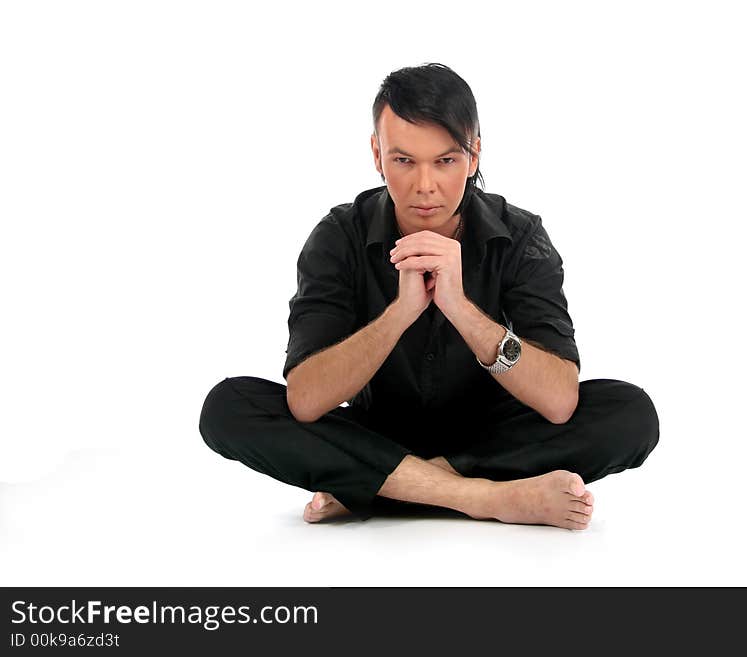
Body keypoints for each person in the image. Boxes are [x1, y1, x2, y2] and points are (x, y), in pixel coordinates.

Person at [198, 63, 659, 531]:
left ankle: (378, 487)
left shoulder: (520, 236)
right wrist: (399, 314)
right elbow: (306, 400)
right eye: (404, 161)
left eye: (445, 161)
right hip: (375, 432)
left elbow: (559, 399)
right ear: (377, 155)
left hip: (494, 436)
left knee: (631, 415)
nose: (425, 186)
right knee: (228, 406)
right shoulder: (338, 236)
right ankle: (481, 496)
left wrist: (462, 311)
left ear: (474, 154)